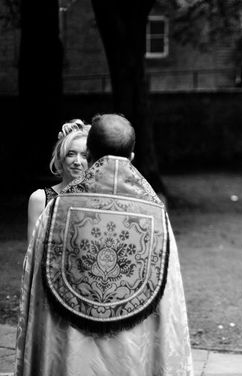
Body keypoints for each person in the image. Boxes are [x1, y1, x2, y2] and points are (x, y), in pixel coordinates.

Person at [15, 113, 193, 376]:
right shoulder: (156, 214)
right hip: (130, 351)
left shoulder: (56, 212)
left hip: (71, 353)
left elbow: (37, 284)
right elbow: (169, 297)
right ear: (131, 157)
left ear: (89, 153)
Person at [26, 119, 90, 243]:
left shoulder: (98, 200)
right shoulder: (40, 199)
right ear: (61, 157)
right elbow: (31, 253)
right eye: (71, 154)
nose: (77, 162)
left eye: (85, 156)